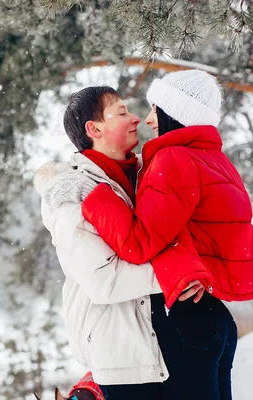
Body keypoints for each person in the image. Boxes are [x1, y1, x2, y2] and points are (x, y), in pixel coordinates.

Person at [80, 69, 253, 399]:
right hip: (216, 319)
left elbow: (139, 244)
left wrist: (95, 197)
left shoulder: (174, 159)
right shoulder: (215, 159)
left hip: (191, 322)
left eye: (156, 110)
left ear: (174, 113)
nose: (150, 120)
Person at [34, 86, 172, 399]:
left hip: (171, 343)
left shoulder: (145, 175)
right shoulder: (70, 197)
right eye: (122, 112)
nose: (136, 118)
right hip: (122, 355)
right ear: (94, 129)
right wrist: (179, 273)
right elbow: (104, 281)